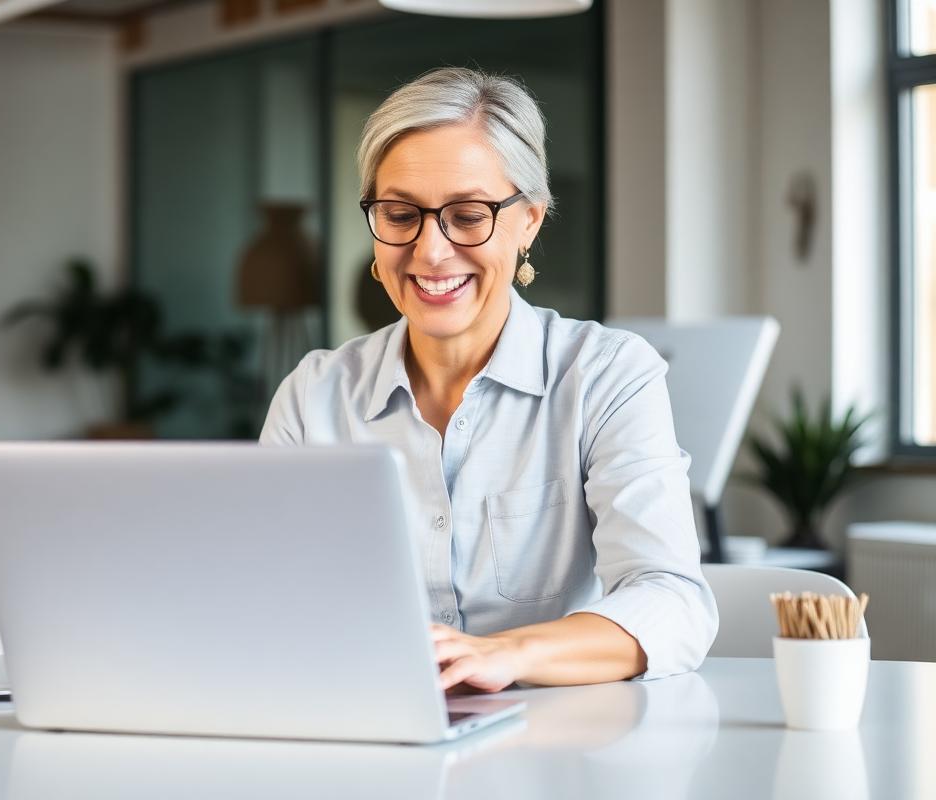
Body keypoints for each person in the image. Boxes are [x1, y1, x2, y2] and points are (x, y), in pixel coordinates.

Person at [260, 67, 717, 691]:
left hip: (563, 755)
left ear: (529, 219)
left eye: (468, 215)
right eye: (400, 215)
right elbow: (268, 600)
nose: (430, 252)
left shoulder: (606, 375)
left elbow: (672, 602)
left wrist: (505, 654)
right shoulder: (314, 396)